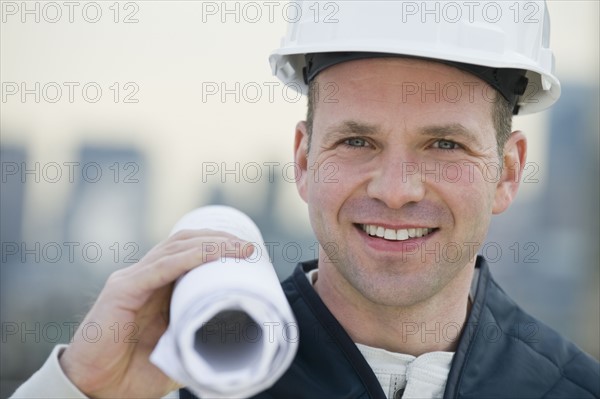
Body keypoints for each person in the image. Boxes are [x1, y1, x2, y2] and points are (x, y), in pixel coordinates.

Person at [11, 1, 599, 398]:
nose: (395, 190)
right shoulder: (182, 376)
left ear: (508, 170)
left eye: (445, 144)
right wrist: (76, 390)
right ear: (302, 160)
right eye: (357, 141)